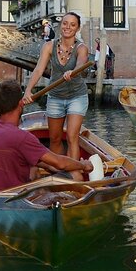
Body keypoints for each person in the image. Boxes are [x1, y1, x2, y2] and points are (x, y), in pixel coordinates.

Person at [0, 80, 93, 193]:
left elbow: (44, 162)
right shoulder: (22, 137)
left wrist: (55, 167)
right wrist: (83, 165)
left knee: (33, 169)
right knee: (76, 175)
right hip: (14, 196)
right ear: (21, 103)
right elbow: (59, 162)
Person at [23, 12, 90, 181]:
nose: (68, 27)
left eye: (72, 25)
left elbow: (81, 63)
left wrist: (73, 71)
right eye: (65, 23)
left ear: (77, 28)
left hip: (77, 96)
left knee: (72, 136)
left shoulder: (82, 48)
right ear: (61, 25)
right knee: (54, 138)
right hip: (55, 96)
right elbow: (39, 69)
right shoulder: (49, 46)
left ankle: (75, 174)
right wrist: (28, 91)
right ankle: (57, 173)